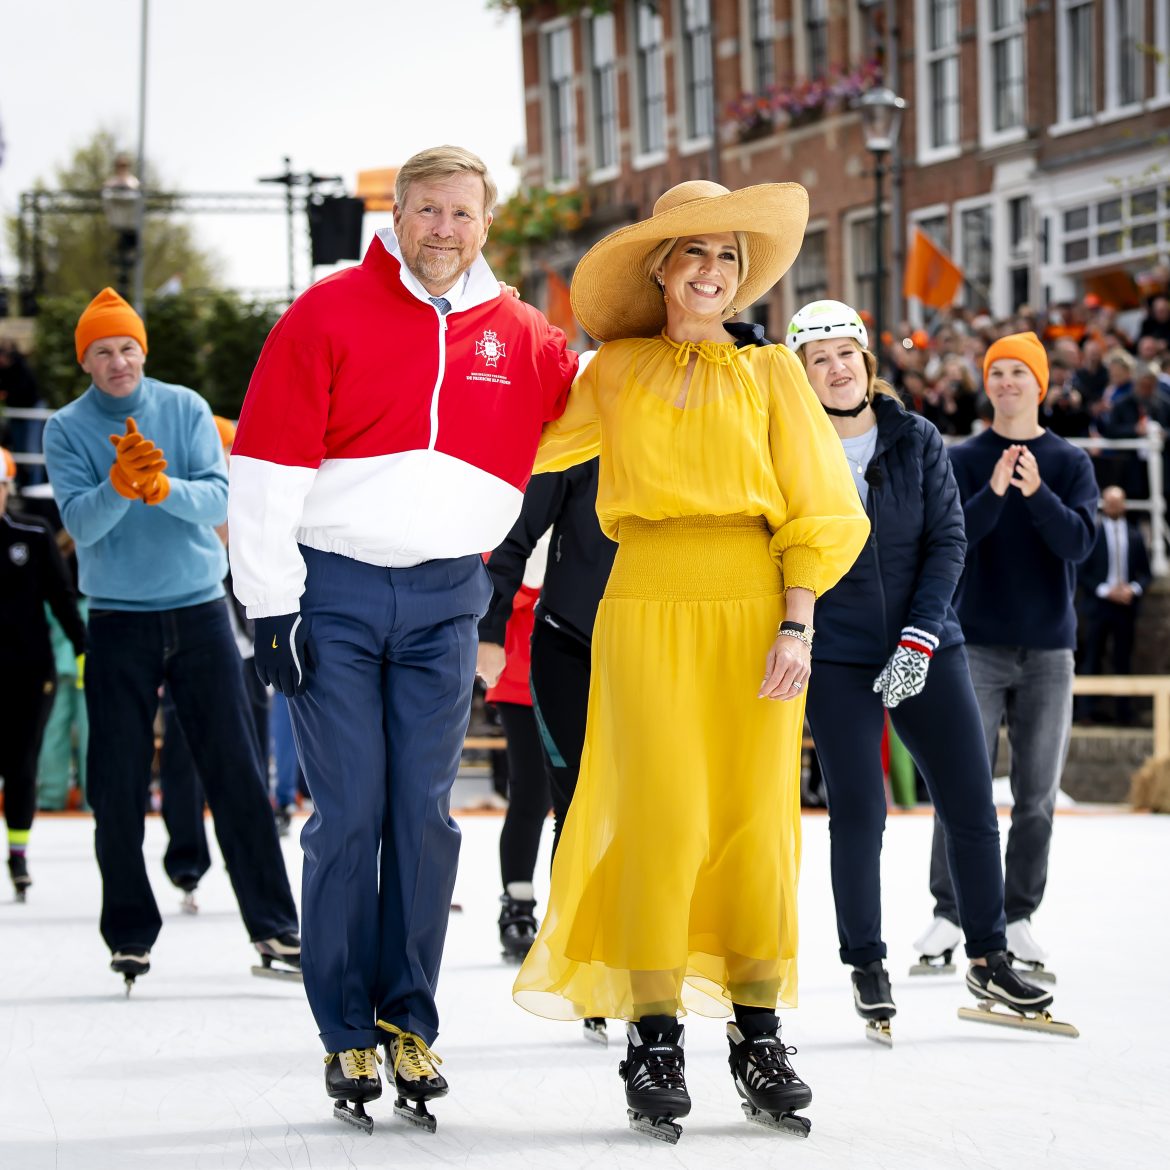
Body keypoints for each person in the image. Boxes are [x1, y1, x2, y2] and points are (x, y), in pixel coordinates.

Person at [226, 145, 580, 1132]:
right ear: (400, 213)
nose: (443, 230)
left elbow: (604, 395)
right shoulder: (328, 312)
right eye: (427, 211)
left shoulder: (521, 333)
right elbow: (260, 468)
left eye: (462, 214)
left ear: (486, 222)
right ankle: (345, 1026)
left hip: (444, 601)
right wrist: (270, 605)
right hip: (330, 591)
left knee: (423, 816)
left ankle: (406, 1018)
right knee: (351, 812)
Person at [511, 180, 870, 1143]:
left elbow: (820, 508)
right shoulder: (613, 372)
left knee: (754, 821)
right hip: (644, 603)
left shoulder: (775, 379)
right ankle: (654, 1035)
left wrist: (796, 625)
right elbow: (521, 448)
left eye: (728, 258)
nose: (712, 272)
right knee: (659, 818)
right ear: (661, 268)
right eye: (694, 255)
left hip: (756, 608)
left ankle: (758, 1033)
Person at [785, 300, 1058, 1043]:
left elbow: (949, 540)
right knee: (859, 812)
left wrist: (920, 637)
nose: (837, 368)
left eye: (847, 353)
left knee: (970, 803)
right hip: (837, 654)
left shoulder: (915, 436)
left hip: (926, 647)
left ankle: (988, 952)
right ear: (801, 374)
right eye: (820, 359)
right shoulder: (789, 447)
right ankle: (866, 963)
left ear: (867, 362)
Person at [42, 288, 301, 991]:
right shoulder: (65, 430)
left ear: (142, 351)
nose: (117, 360)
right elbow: (82, 526)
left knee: (235, 771)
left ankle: (276, 925)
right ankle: (128, 933)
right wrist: (122, 485)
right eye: (102, 351)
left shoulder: (184, 408)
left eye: (126, 346)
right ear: (86, 363)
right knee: (116, 783)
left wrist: (162, 489)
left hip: (198, 613)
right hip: (117, 620)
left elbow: (220, 499)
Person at [918, 332, 1098, 979]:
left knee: (1037, 795)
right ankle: (949, 910)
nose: (1008, 383)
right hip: (975, 645)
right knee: (958, 784)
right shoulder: (961, 457)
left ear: (1040, 384)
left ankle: (1018, 917)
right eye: (998, 373)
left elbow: (1079, 544)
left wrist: (1036, 493)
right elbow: (949, 540)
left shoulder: (1071, 461)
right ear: (987, 384)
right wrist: (995, 491)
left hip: (1050, 648)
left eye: (1020, 373)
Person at [0, 446, 87, 899]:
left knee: (21, 764)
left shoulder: (32, 535)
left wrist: (84, 650)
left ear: (7, 489)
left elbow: (62, 598)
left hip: (30, 673)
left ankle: (18, 856)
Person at [478, 533, 552, 960]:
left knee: (578, 795)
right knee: (530, 791)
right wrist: (532, 579)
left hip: (577, 667)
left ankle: (576, 907)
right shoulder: (517, 507)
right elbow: (497, 587)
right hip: (519, 673)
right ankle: (518, 903)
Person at [1077, 485, 1151, 725]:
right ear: (1104, 504)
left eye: (1118, 502)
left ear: (1124, 504)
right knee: (1092, 656)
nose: (1114, 506)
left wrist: (1133, 589)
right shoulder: (1094, 535)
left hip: (1126, 607)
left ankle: (1123, 712)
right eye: (1110, 502)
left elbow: (1145, 573)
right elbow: (1082, 571)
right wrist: (1106, 591)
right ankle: (1086, 711)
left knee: (1123, 659)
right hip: (1099, 606)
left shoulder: (1135, 535)